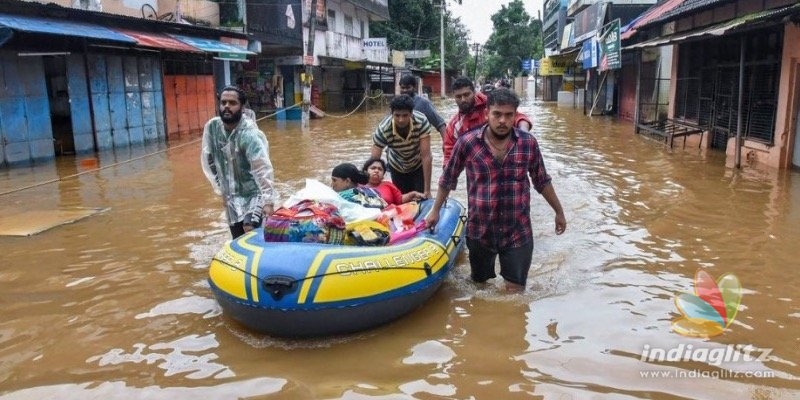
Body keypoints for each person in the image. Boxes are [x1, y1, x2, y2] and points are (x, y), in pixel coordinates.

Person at [425, 88, 566, 292]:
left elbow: (542, 181)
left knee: (516, 294)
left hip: (518, 230)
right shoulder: (467, 143)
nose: (502, 121)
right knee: (479, 287)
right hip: (480, 231)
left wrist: (559, 212)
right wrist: (435, 210)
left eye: (509, 115)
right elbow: (448, 178)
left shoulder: (528, 144)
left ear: (516, 116)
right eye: (497, 114)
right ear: (486, 114)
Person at [201, 85, 276, 239]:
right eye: (223, 102)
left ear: (241, 107)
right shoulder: (212, 128)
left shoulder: (249, 135)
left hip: (253, 194)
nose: (227, 106)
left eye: (232, 103)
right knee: (237, 238)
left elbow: (263, 168)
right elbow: (209, 158)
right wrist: (221, 187)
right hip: (230, 196)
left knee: (250, 230)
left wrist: (268, 201)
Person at [443, 77, 532, 166]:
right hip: (478, 169)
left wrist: (523, 135)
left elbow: (518, 117)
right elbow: (448, 157)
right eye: (458, 96)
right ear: (453, 97)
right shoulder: (454, 126)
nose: (463, 99)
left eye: (466, 95)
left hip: (507, 159)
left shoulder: (491, 104)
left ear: (474, 92)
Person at [370, 94, 433, 198]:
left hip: (418, 165)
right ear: (392, 114)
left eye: (405, 115)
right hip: (396, 166)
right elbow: (373, 161)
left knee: (421, 198)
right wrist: (371, 187)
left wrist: (428, 190)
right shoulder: (383, 129)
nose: (401, 120)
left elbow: (426, 156)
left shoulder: (421, 121)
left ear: (411, 114)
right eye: (397, 115)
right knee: (401, 199)